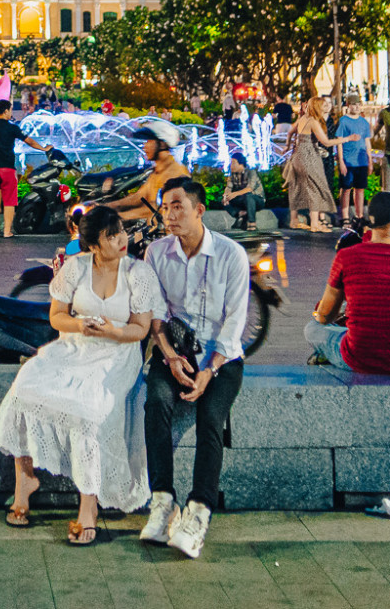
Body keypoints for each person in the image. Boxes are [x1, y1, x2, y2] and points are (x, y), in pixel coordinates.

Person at [0, 205, 158, 545]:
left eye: (121, 232)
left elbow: (141, 329)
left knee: (89, 408)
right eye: (111, 236)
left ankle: (88, 506)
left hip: (117, 355)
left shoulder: (137, 274)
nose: (121, 240)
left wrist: (113, 331)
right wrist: (81, 325)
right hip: (74, 347)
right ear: (94, 246)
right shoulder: (76, 268)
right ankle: (25, 482)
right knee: (24, 387)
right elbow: (57, 317)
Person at [140, 179, 248, 560]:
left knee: (211, 417)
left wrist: (208, 371)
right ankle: (163, 501)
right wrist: (169, 355)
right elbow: (156, 314)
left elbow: (235, 322)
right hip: (174, 353)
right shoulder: (156, 253)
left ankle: (199, 512)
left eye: (177, 207)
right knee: (156, 403)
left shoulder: (231, 255)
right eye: (165, 208)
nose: (169, 216)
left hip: (221, 360)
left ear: (199, 210)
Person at [304, 191, 390, 374]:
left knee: (312, 328)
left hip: (360, 359)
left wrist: (323, 316)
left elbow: (325, 316)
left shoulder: (347, 256)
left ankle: (326, 356)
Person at [0, 101, 44, 238]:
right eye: (10, 110)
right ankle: (7, 231)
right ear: (6, 111)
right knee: (9, 200)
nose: (11, 113)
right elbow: (29, 141)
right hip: (7, 168)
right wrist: (43, 148)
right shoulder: (13, 128)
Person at [287, 97, 344, 232]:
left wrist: (287, 147)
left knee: (296, 188)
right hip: (309, 157)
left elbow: (290, 132)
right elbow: (326, 142)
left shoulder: (302, 119)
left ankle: (293, 221)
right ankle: (314, 223)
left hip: (297, 157)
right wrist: (345, 139)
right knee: (316, 188)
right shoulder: (312, 121)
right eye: (322, 105)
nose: (324, 108)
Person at [118, 125, 188, 224]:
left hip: (168, 235)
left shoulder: (176, 174)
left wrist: (118, 216)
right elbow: (138, 198)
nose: (145, 146)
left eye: (149, 141)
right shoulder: (157, 171)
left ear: (162, 144)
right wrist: (107, 207)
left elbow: (157, 210)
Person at [335, 99, 373, 224]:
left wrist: (370, 160)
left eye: (358, 104)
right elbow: (339, 141)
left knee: (360, 188)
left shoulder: (364, 122)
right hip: (348, 160)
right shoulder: (343, 121)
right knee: (346, 188)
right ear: (348, 105)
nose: (356, 107)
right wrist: (341, 160)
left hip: (361, 160)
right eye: (353, 104)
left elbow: (367, 141)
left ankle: (359, 215)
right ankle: (344, 216)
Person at [223, 152, 263, 230]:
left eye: (233, 163)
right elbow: (228, 187)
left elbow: (250, 188)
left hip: (257, 200)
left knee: (249, 196)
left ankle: (251, 222)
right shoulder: (232, 175)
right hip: (242, 200)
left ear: (241, 164)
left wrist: (234, 194)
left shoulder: (251, 172)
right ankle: (240, 215)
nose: (231, 166)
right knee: (224, 200)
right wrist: (226, 195)